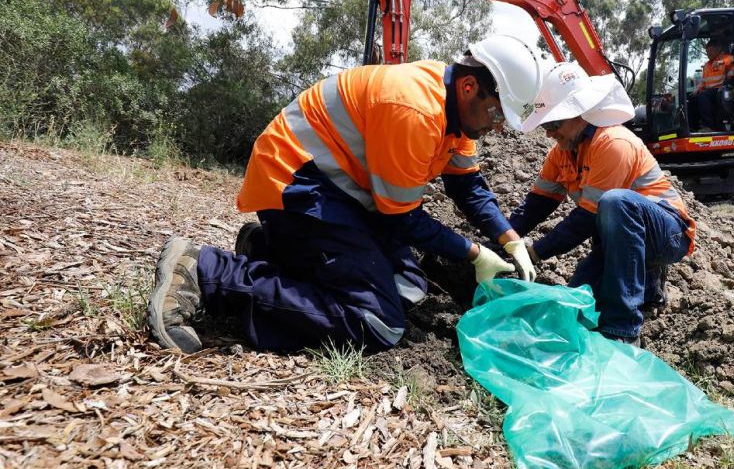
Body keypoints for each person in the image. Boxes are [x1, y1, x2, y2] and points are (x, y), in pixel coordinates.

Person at [147, 35, 545, 355]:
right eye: (496, 114)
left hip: (338, 193)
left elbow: (467, 186)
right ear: (470, 86)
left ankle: (274, 251)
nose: (497, 127)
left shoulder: (458, 119)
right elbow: (402, 219)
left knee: (409, 287)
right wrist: (474, 253)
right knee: (377, 322)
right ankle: (206, 271)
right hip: (296, 181)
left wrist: (510, 240)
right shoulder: (416, 109)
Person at [508, 63, 697, 346]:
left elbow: (585, 219)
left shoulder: (612, 143)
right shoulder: (561, 153)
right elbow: (536, 206)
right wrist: (505, 240)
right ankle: (646, 284)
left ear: (576, 113)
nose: (549, 133)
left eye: (552, 124)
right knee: (578, 298)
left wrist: (534, 252)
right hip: (619, 241)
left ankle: (624, 330)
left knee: (615, 202)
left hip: (669, 233)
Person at [690, 36, 734, 131]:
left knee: (703, 96)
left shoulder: (724, 58)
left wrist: (720, 62)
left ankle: (709, 126)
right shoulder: (707, 65)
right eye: (707, 51)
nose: (708, 53)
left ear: (718, 49)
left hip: (720, 89)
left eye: (710, 50)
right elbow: (704, 82)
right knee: (692, 98)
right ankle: (693, 126)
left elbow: (731, 59)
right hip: (709, 90)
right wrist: (697, 89)